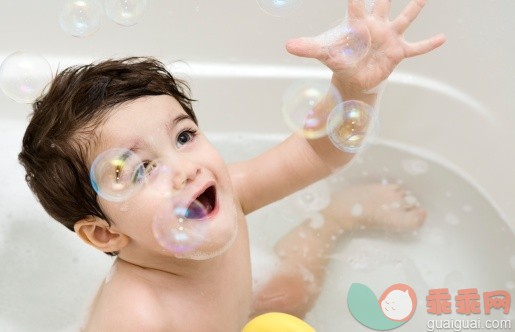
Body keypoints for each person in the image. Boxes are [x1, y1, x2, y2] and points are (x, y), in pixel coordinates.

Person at [18, 0, 445, 330]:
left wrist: (352, 86)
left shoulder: (226, 194)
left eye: (183, 137)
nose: (185, 169)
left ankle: (335, 218)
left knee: (290, 295)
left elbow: (317, 152)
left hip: (249, 311)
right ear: (105, 232)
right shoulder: (137, 316)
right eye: (142, 169)